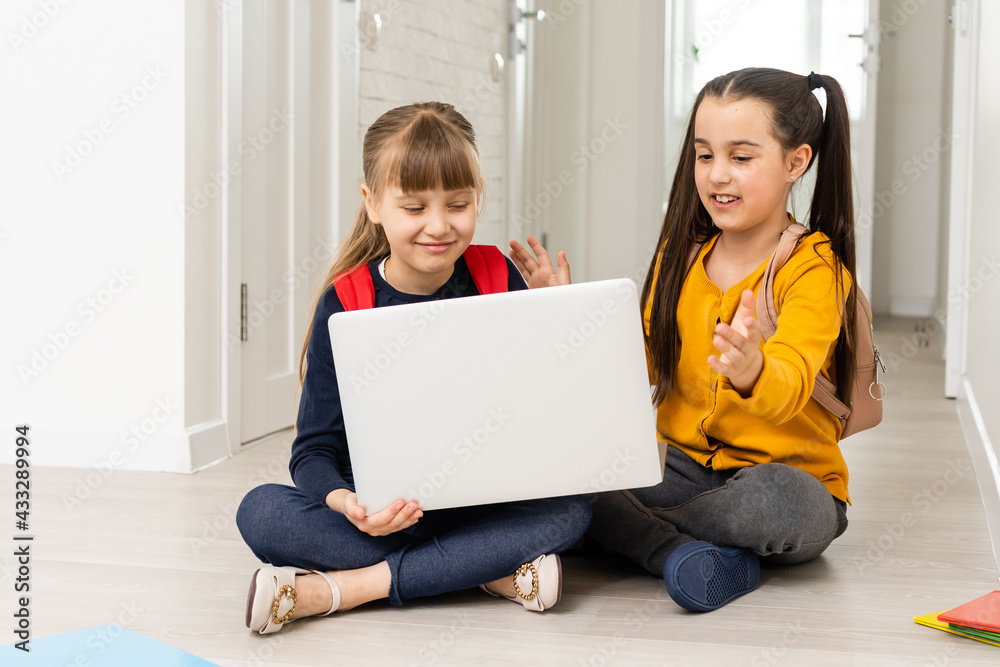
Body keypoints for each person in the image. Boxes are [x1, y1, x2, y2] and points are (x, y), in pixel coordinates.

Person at [236, 102, 591, 634]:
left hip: (482, 501)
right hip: (384, 519)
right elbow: (312, 452)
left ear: (478, 200)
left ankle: (346, 589)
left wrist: (552, 324)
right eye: (414, 208)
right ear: (373, 204)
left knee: (577, 509)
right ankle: (482, 570)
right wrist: (348, 503)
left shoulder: (498, 276)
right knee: (260, 511)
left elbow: (543, 418)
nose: (440, 226)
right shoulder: (348, 300)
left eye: (458, 204)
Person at [510, 68, 856, 612]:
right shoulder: (682, 252)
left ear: (796, 162)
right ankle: (681, 553)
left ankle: (614, 533)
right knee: (569, 466)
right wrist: (567, 315)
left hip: (787, 480)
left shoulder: (814, 268)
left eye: (741, 158)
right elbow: (640, 367)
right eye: (704, 155)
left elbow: (791, 380)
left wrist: (753, 370)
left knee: (774, 504)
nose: (717, 175)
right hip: (681, 470)